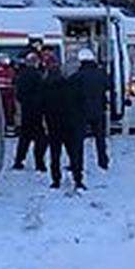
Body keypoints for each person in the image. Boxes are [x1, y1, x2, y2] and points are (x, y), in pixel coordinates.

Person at [42, 58, 85, 190]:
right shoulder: (70, 86)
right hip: (70, 125)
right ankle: (78, 179)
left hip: (54, 126)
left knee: (55, 155)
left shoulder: (45, 89)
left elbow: (42, 107)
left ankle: (56, 180)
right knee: (73, 154)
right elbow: (79, 104)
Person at [70, 47, 110, 170]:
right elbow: (108, 87)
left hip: (81, 112)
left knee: (78, 140)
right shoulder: (101, 74)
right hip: (99, 110)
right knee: (100, 138)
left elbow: (71, 94)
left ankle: (77, 163)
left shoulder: (77, 77)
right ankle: (103, 161)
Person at [12, 52, 47, 171]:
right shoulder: (39, 76)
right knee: (40, 138)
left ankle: (19, 161)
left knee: (24, 137)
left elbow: (18, 94)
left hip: (26, 109)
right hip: (37, 110)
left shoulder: (21, 75)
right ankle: (39, 163)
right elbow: (43, 92)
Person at [0, 54, 17, 133]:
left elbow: (13, 80)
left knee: (8, 110)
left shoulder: (11, 69)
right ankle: (4, 126)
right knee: (2, 110)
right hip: (0, 92)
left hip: (8, 93)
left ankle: (8, 126)